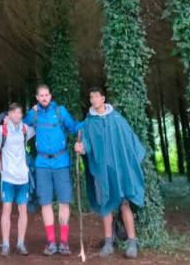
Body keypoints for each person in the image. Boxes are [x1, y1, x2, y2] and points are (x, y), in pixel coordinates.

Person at [74, 87, 145, 259]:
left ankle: (132, 243)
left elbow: (129, 139)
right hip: (101, 172)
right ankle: (108, 243)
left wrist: (132, 160)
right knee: (106, 206)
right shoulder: (88, 123)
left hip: (119, 171)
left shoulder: (116, 119)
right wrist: (81, 148)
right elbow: (87, 144)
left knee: (124, 204)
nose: (94, 100)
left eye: (96, 97)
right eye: (91, 97)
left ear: (103, 98)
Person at [17, 85, 83, 256]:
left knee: (63, 202)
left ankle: (64, 242)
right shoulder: (33, 114)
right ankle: (51, 242)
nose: (44, 98)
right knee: (45, 203)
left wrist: (91, 121)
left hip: (61, 163)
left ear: (50, 96)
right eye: (41, 96)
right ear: (37, 98)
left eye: (46, 95)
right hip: (42, 164)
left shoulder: (60, 111)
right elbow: (19, 127)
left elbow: (74, 127)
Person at [0, 102, 35, 257]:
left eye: (19, 112)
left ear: (22, 114)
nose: (16, 115)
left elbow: (37, 123)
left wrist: (33, 110)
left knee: (23, 210)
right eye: (13, 113)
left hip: (22, 177)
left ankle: (20, 243)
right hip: (8, 176)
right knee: (7, 209)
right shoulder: (2, 130)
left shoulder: (26, 129)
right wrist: (3, 117)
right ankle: (5, 244)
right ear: (8, 115)